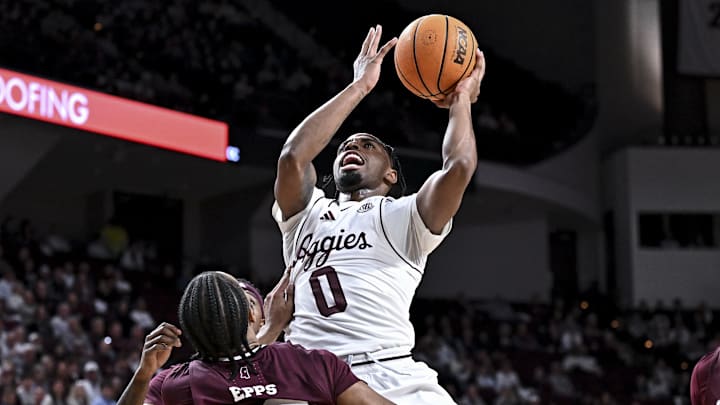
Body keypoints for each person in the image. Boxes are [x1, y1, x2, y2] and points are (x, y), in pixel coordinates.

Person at [270, 24, 485, 404]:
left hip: (387, 371)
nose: (353, 146)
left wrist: (461, 100)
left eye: (368, 145)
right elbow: (292, 158)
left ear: (390, 174)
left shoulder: (405, 218)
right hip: (307, 377)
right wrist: (359, 87)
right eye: (346, 146)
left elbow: (459, 168)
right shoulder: (306, 215)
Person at [116, 271, 394, 405]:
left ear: (253, 313)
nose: (221, 299)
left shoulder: (311, 363)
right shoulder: (168, 382)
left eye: (239, 295)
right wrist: (142, 375)